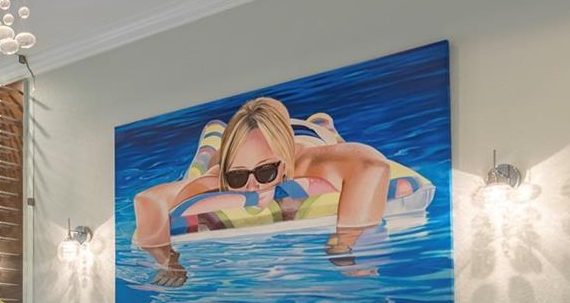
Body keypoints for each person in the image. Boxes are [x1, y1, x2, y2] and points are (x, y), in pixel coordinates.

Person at [130, 96, 392, 287]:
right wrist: (168, 261)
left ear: (283, 164)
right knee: (210, 160)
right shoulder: (219, 175)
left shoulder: (308, 163)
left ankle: (322, 123)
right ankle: (214, 136)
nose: (252, 185)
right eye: (238, 177)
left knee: (325, 131)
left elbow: (373, 166)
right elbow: (148, 200)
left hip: (306, 139)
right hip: (226, 155)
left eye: (266, 172)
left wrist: (342, 242)